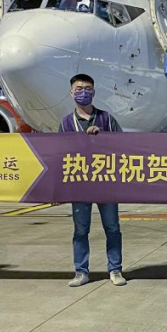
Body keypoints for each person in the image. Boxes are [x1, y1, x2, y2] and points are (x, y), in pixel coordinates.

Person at [58, 73, 126, 288]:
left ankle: (115, 269)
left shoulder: (107, 119)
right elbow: (60, 152)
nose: (83, 93)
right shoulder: (66, 123)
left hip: (106, 183)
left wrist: (103, 137)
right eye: (79, 89)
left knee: (112, 228)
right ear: (71, 92)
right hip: (80, 185)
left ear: (94, 92)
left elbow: (123, 145)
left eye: (87, 89)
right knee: (80, 230)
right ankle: (81, 271)